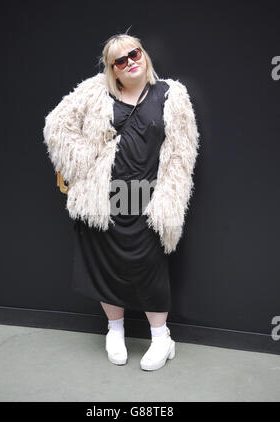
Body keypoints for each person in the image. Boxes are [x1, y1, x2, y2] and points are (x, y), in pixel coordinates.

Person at [43, 33, 200, 371]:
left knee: (150, 270)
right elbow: (56, 125)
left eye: (135, 53)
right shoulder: (96, 92)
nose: (131, 62)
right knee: (105, 267)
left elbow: (181, 155)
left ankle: (162, 338)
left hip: (146, 198)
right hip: (103, 199)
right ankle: (114, 331)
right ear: (112, 69)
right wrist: (84, 160)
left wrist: (170, 198)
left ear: (143, 54)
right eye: (121, 60)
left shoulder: (171, 94)